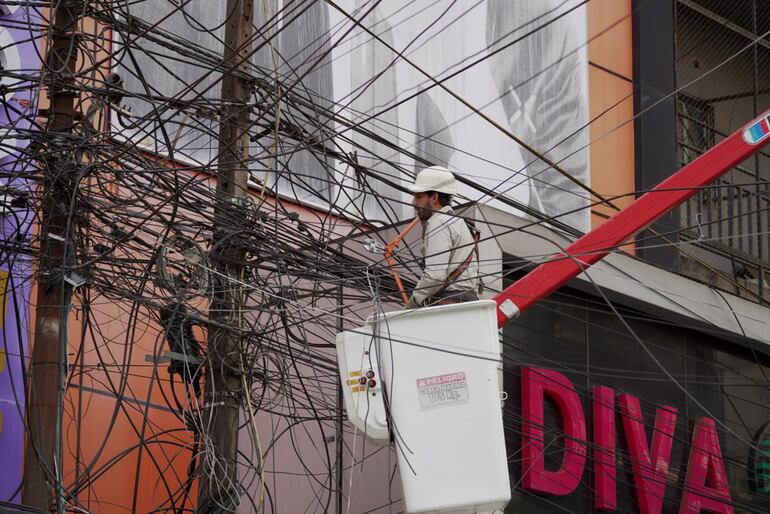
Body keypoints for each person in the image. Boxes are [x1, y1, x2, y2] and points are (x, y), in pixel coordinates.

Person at [406, 166, 480, 308]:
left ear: (434, 197)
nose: (413, 203)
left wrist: (414, 302)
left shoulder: (438, 222)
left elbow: (434, 276)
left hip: (449, 301)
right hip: (468, 301)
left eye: (418, 196)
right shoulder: (458, 222)